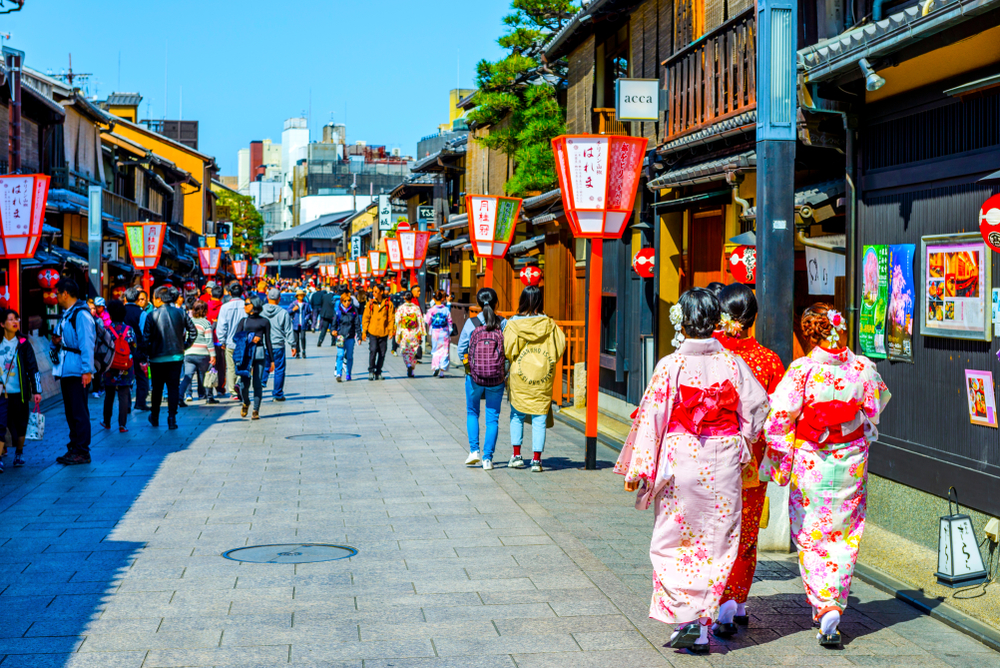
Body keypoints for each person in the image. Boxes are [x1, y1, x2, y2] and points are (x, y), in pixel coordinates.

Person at [613, 288, 770, 654]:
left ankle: (687, 619)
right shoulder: (732, 363)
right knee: (717, 542)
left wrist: (642, 467)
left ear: (683, 321)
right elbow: (759, 405)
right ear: (716, 321)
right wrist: (743, 443)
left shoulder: (671, 365)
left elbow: (652, 418)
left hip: (680, 460)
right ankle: (702, 623)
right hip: (724, 461)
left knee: (674, 540)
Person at [759, 303, 891, 647]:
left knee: (811, 532)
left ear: (810, 332)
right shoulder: (864, 367)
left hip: (812, 464)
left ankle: (825, 604)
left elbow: (778, 422)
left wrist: (779, 465)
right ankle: (836, 599)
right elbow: (875, 410)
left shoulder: (802, 370)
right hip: (850, 463)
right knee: (845, 534)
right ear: (840, 327)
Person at [711, 284, 786, 637]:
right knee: (746, 532)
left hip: (708, 461)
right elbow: (779, 420)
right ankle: (736, 601)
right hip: (752, 463)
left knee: (713, 531)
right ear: (753, 319)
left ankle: (718, 599)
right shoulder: (769, 361)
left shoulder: (704, 357)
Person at [502, 286, 566, 472]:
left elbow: (508, 349)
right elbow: (560, 346)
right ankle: (537, 460)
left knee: (517, 414)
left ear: (522, 300)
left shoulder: (513, 324)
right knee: (539, 415)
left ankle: (516, 455)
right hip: (543, 375)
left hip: (519, 376)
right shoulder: (549, 324)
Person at [458, 288, 507, 470]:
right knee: (492, 418)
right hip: (497, 377)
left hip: (474, 377)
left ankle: (474, 451)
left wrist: (470, 367)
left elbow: (461, 349)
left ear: (478, 303)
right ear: (496, 303)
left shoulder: (471, 323)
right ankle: (488, 459)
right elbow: (508, 350)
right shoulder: (503, 323)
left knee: (472, 412)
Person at [52, 278, 96, 465]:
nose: (55, 297)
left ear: (65, 294)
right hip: (66, 369)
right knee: (71, 411)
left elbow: (87, 343)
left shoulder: (81, 314)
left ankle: (82, 450)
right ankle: (74, 446)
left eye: (57, 293)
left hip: (77, 369)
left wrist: (87, 370)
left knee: (79, 411)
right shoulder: (68, 314)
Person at [147, 285, 197, 429]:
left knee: (157, 388)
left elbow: (146, 338)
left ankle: (155, 416)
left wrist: (148, 352)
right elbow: (193, 332)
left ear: (158, 299)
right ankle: (171, 418)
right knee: (173, 387)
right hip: (176, 357)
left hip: (157, 358)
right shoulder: (180, 313)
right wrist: (184, 345)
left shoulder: (152, 315)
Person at [0, 309, 41, 469]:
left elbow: (33, 368)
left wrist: (37, 391)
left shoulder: (24, 343)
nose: (15, 321)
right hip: (2, 394)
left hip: (20, 393)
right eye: (10, 319)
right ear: (2, 324)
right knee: (1, 425)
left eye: (16, 318)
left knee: (20, 425)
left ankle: (18, 453)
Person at [234, 296, 274, 419]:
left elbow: (268, 341)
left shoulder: (265, 321)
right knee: (244, 384)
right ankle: (246, 401)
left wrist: (272, 360)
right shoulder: (243, 321)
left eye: (247, 304)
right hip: (245, 354)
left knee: (257, 383)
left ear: (254, 305)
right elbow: (236, 337)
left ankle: (256, 410)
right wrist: (250, 338)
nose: (244, 306)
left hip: (260, 354)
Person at [99, 299, 136, 433]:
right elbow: (134, 348)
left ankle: (107, 422)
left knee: (109, 395)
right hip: (126, 367)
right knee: (124, 395)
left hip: (110, 366)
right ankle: (122, 425)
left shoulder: (106, 330)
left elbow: (101, 349)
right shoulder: (129, 330)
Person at [178, 300, 216, 406]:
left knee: (187, 376)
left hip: (189, 353)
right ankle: (209, 397)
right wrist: (213, 355)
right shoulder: (206, 323)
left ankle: (180, 397)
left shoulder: (189, 321)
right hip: (203, 354)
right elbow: (209, 341)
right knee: (206, 376)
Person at [216, 282, 247, 400]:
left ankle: (233, 392)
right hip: (243, 341)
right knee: (244, 365)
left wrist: (222, 340)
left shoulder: (224, 307)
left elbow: (221, 326)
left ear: (229, 293)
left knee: (230, 367)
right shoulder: (246, 305)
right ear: (242, 293)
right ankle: (240, 384)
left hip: (229, 342)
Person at [262, 288, 293, 401]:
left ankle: (261, 383)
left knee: (264, 366)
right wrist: (293, 345)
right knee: (279, 369)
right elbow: (289, 330)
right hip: (278, 344)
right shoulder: (283, 313)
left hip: (264, 344)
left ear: (267, 298)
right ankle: (277, 393)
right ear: (279, 299)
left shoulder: (261, 311)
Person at [123, 288, 151, 411]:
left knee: (124, 377)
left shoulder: (120, 311)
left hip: (122, 350)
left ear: (125, 298)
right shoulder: (142, 313)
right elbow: (144, 333)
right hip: (138, 350)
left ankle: (126, 404)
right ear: (136, 299)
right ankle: (140, 402)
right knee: (141, 377)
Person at [362, 284, 395, 381]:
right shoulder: (370, 303)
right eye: (373, 291)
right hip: (372, 331)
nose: (374, 293)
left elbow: (391, 318)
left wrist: (391, 330)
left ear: (381, 292)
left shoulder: (388, 304)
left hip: (383, 332)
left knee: (382, 353)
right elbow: (366, 318)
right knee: (373, 351)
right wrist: (364, 331)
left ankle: (378, 371)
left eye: (376, 291)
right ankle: (371, 371)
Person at [331, 291, 361, 382]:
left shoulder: (353, 311)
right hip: (340, 336)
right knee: (340, 355)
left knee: (349, 356)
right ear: (341, 301)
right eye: (345, 301)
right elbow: (333, 324)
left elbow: (357, 324)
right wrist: (333, 331)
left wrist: (359, 336)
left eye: (349, 300)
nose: (347, 302)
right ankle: (339, 373)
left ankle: (348, 373)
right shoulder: (338, 311)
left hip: (350, 337)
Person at [394, 292, 425, 378]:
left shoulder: (401, 308)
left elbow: (397, 321)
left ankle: (408, 365)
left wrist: (397, 334)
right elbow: (420, 321)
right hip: (414, 332)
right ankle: (412, 368)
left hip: (404, 332)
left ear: (404, 297)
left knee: (405, 350)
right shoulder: (416, 308)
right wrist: (421, 332)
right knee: (414, 350)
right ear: (411, 298)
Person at [424, 291, 453, 377]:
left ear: (434, 298)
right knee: (444, 351)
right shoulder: (446, 309)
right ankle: (442, 371)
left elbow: (427, 320)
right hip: (444, 332)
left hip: (435, 333)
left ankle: (436, 366)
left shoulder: (431, 310)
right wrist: (449, 331)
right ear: (443, 298)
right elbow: (450, 321)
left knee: (435, 350)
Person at [288, 289, 313, 359]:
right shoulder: (293, 304)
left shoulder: (306, 304)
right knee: (296, 339)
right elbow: (288, 311)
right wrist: (293, 309)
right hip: (295, 324)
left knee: (302, 337)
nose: (301, 296)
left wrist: (306, 318)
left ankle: (304, 350)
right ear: (297, 296)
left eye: (302, 295)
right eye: (299, 295)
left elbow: (309, 313)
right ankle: (298, 352)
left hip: (303, 323)